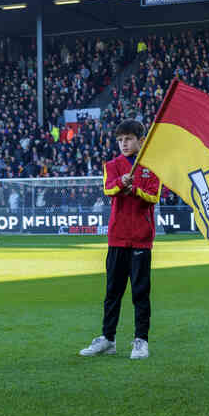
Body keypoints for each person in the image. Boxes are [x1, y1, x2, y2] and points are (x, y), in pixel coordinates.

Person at [79, 119, 161, 361]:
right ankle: (108, 339)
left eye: (128, 139)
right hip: (117, 237)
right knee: (112, 292)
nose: (124, 144)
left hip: (141, 239)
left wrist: (133, 188)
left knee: (140, 293)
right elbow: (108, 188)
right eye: (120, 140)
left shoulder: (152, 167)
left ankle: (141, 341)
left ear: (140, 140)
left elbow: (154, 195)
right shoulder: (112, 165)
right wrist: (120, 183)